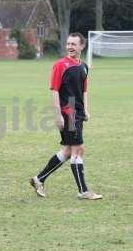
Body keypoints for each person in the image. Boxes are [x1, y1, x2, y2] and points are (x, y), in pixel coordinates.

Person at [30, 32, 102, 200]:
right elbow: (54, 90)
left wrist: (86, 110)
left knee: (69, 150)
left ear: (82, 46)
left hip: (77, 111)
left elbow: (84, 90)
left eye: (74, 44)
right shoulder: (60, 65)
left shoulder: (84, 66)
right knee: (78, 149)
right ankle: (83, 191)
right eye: (68, 43)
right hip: (67, 111)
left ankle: (38, 179)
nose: (70, 46)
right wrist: (58, 115)